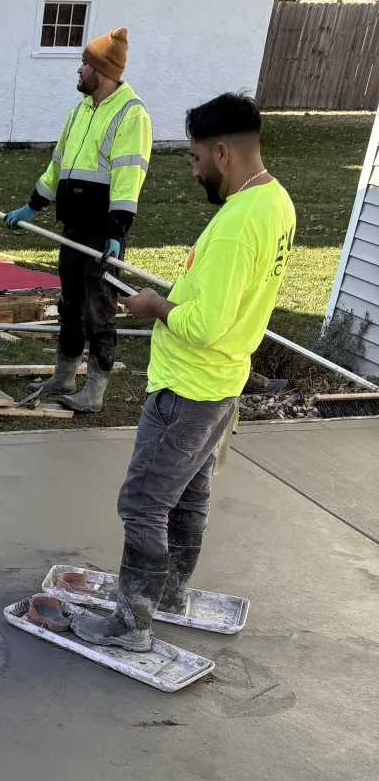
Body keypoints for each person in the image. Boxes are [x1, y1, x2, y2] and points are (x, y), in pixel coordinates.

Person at [69, 93, 296, 652]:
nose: (194, 172)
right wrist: (175, 295)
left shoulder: (237, 223)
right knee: (189, 494)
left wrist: (154, 306)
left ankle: (131, 624)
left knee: (143, 503)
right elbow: (227, 300)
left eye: (195, 159)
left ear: (222, 153)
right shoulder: (277, 202)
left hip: (188, 386)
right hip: (221, 383)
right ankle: (168, 594)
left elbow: (205, 324)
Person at [6, 27, 151, 413]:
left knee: (97, 311)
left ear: (101, 71)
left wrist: (117, 231)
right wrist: (32, 206)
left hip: (103, 233)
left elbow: (128, 176)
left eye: (84, 65)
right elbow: (58, 164)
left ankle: (95, 391)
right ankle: (64, 375)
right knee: (70, 305)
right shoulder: (81, 110)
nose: (79, 71)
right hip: (72, 228)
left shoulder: (130, 113)